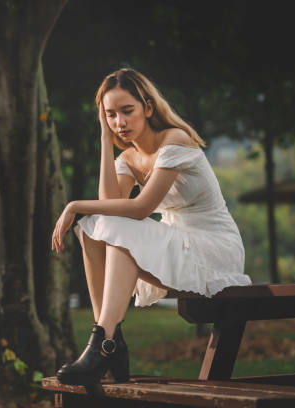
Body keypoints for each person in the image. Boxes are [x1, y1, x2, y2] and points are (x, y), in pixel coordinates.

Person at [50, 68, 252, 386]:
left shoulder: (175, 140)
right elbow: (109, 209)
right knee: (92, 228)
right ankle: (108, 340)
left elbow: (140, 208)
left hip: (215, 248)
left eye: (127, 111)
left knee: (102, 223)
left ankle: (103, 344)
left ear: (147, 107)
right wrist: (105, 139)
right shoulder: (129, 157)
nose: (120, 122)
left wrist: (74, 205)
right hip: (177, 242)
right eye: (111, 115)